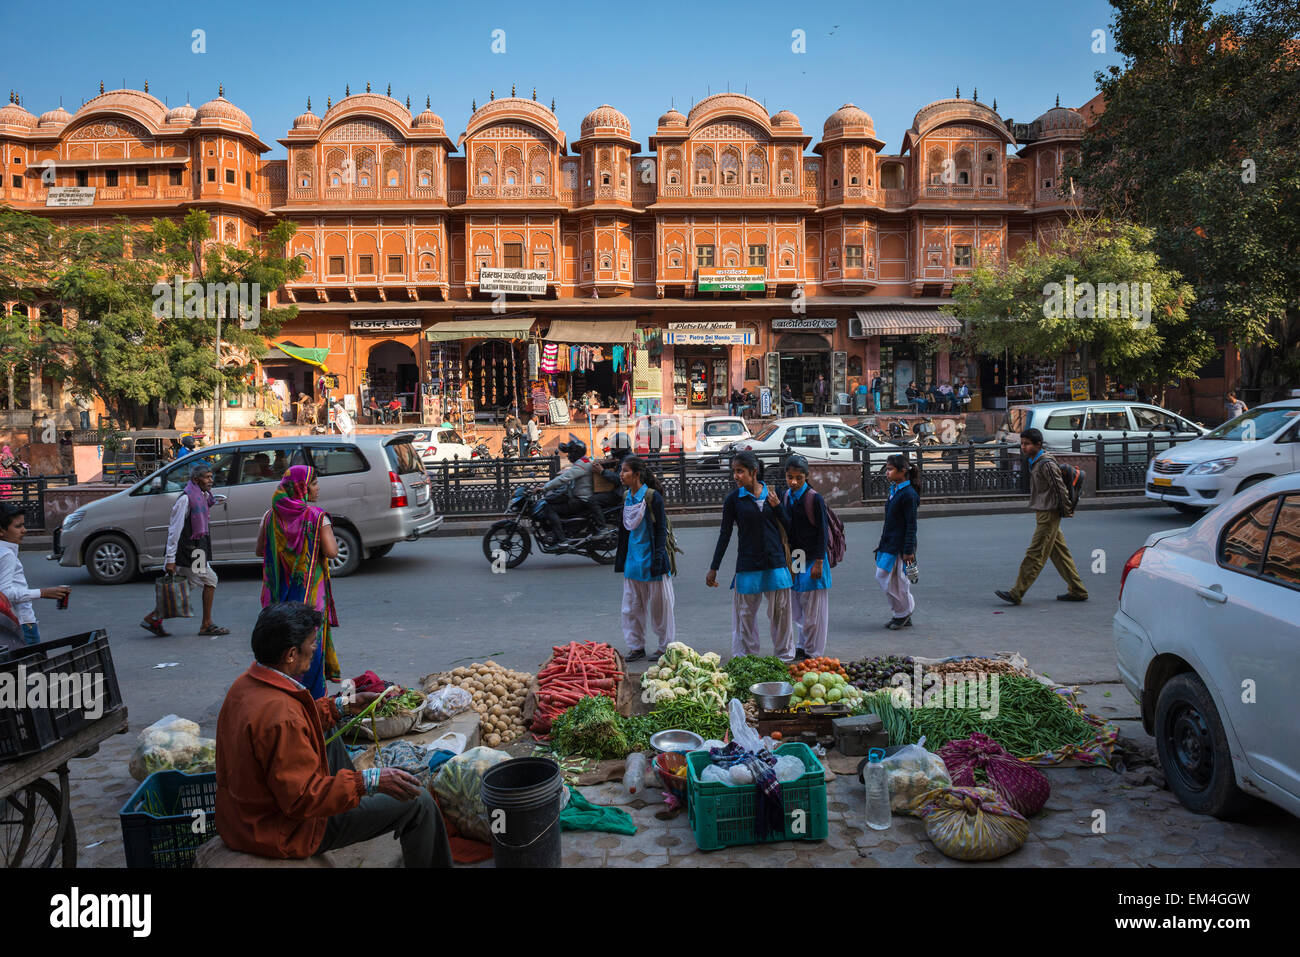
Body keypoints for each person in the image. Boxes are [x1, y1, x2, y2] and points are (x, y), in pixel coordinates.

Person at [215, 602, 452, 866]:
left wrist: (343, 705)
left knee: (330, 734)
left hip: (243, 817)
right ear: (291, 654)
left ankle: (355, 803)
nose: (316, 648)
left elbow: (298, 721)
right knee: (419, 800)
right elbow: (302, 799)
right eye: (312, 643)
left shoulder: (245, 685)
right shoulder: (282, 716)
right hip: (283, 829)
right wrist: (368, 781)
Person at [257, 465, 341, 699]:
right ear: (301, 488)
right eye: (313, 483)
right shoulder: (316, 516)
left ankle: (285, 696)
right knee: (309, 648)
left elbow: (258, 550)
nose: (317, 488)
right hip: (310, 595)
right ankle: (312, 703)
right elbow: (332, 551)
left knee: (284, 649)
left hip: (278, 599)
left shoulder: (270, 516)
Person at [707, 449, 795, 661]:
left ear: (754, 472)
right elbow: (724, 534)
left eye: (740, 471)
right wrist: (714, 567)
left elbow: (790, 527)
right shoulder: (733, 500)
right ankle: (749, 658)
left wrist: (777, 508)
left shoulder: (776, 494)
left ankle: (783, 656)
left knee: (781, 614)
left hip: (775, 562)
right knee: (745, 616)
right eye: (734, 471)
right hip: (747, 564)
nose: (735, 476)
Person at [996, 427, 1088, 606]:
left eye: (1027, 444)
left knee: (1035, 553)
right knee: (1060, 554)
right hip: (1043, 512)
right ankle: (1078, 590)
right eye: (1022, 444)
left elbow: (1059, 488)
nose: (1023, 447)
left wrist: (1066, 510)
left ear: (1038, 445)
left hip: (1049, 513)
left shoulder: (1046, 464)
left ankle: (1017, 592)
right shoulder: (1035, 461)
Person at [141, 463, 228, 637]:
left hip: (197, 549)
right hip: (190, 551)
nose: (211, 480)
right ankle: (206, 624)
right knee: (210, 579)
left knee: (191, 583)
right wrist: (170, 559)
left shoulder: (202, 495)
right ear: (196, 480)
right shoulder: (186, 499)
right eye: (207, 477)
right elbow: (174, 529)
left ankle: (154, 617)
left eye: (211, 477)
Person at [615, 456, 675, 662]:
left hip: (652, 561)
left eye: (625, 471)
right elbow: (624, 531)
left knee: (660, 608)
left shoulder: (652, 497)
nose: (621, 475)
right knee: (631, 607)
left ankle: (664, 646)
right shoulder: (626, 497)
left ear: (637, 474)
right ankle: (636, 646)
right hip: (633, 561)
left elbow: (660, 530)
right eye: (621, 471)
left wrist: (658, 558)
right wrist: (621, 559)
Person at [782, 455, 831, 661]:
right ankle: (803, 645)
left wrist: (819, 561)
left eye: (798, 478)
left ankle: (815, 652)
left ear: (806, 477)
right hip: (797, 556)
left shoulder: (814, 498)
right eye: (790, 477)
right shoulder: (786, 496)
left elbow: (823, 532)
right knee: (799, 603)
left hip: (813, 557)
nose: (793, 482)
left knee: (814, 609)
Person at [0, 503, 68, 646]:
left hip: (9, 622)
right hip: (23, 622)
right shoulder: (6, 555)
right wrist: (43, 593)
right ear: (1, 531)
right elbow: (4, 593)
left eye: (23, 525)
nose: (24, 530)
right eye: (18, 526)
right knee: (32, 665)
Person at [875, 453, 919, 629]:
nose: (887, 472)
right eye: (887, 468)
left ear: (902, 472)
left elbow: (911, 525)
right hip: (889, 543)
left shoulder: (909, 494)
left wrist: (908, 550)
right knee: (885, 578)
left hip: (900, 546)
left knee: (897, 581)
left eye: (891, 469)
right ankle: (902, 613)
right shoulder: (895, 490)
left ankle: (903, 613)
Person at [539, 438, 600, 542]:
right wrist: (546, 485)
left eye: (570, 453)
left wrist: (544, 487)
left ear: (575, 453)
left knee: (549, 508)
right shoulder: (584, 461)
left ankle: (561, 539)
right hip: (579, 497)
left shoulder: (581, 465)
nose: (568, 455)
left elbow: (564, 478)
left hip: (580, 500)